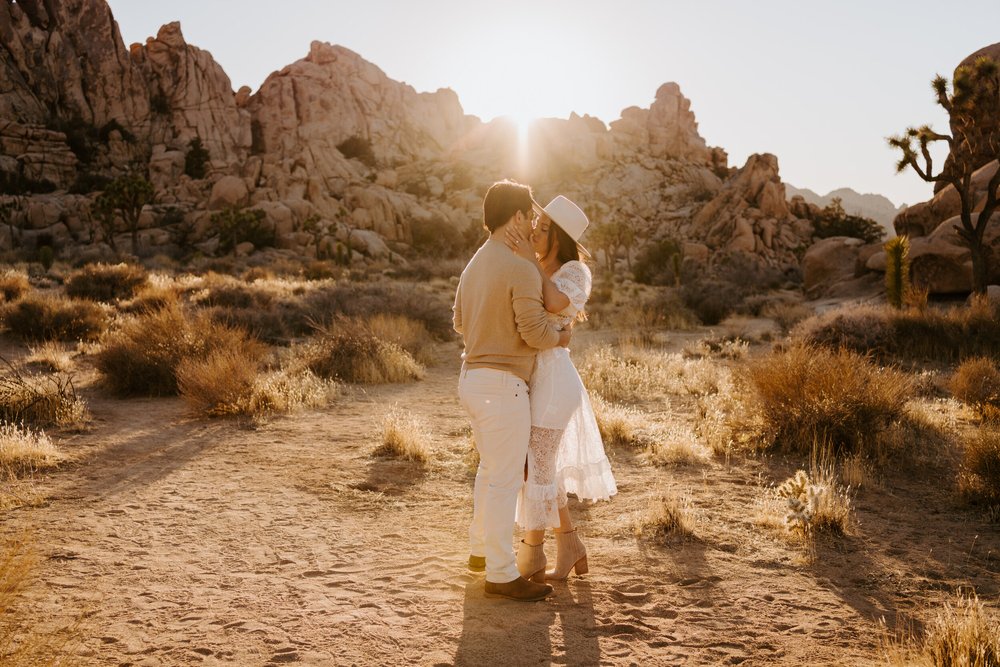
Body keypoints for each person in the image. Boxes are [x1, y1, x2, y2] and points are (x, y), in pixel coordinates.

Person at [453, 180, 572, 602]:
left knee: (488, 472)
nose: (531, 222)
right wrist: (561, 335)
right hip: (504, 386)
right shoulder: (519, 267)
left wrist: (491, 333)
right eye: (528, 215)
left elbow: (459, 323)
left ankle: (480, 553)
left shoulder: (474, 264)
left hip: (471, 378)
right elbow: (535, 331)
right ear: (517, 218)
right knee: (504, 479)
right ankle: (501, 574)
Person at [504, 195, 617, 583]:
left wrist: (528, 259)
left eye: (544, 228)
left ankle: (532, 554)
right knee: (538, 466)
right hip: (534, 379)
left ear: (561, 238)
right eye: (536, 223)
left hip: (555, 382)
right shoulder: (531, 263)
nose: (535, 231)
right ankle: (570, 545)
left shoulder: (575, 271)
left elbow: (553, 300)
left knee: (537, 464)